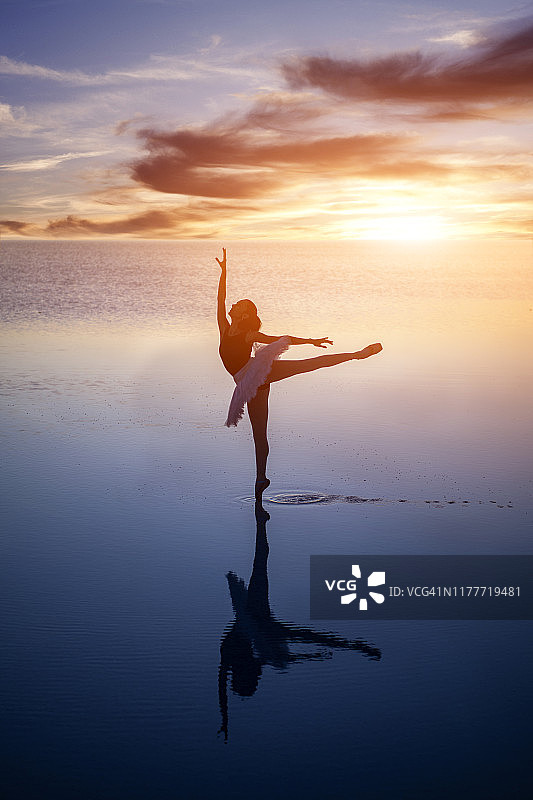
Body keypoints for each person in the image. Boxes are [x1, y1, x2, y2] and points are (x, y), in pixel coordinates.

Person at [216, 248, 382, 498]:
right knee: (259, 434)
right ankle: (261, 478)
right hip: (246, 383)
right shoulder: (224, 327)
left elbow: (282, 338)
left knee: (308, 364)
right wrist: (224, 271)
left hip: (257, 371)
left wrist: (311, 340)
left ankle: (357, 354)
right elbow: (220, 300)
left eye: (239, 305)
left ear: (245, 314)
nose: (233, 304)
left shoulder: (248, 335)